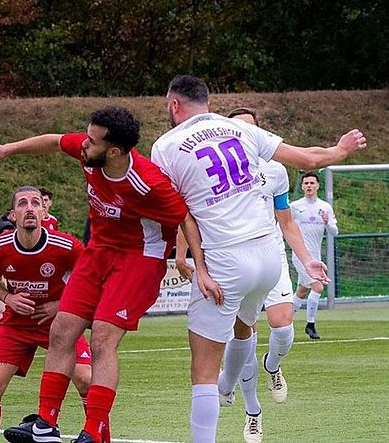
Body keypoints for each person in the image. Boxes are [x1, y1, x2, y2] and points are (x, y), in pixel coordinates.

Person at [152, 75, 365, 443]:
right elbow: (308, 158)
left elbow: (177, 213)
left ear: (174, 105)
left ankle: (219, 397)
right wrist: (341, 149)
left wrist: (198, 266)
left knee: (203, 372)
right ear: (208, 100)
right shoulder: (238, 130)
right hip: (268, 256)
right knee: (243, 329)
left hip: (225, 259)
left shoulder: (166, 146)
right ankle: (234, 391)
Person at [0, 106, 191, 443]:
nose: (84, 145)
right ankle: (46, 424)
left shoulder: (149, 182)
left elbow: (186, 218)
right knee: (62, 327)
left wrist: (192, 264)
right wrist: (7, 148)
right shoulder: (91, 153)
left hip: (139, 258)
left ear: (115, 151)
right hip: (99, 250)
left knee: (103, 336)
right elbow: (54, 141)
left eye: (92, 141)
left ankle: (93, 430)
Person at [205, 107, 326, 442]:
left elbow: (286, 221)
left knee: (283, 328)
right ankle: (252, 411)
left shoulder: (274, 171)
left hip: (271, 258)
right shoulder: (215, 169)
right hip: (234, 260)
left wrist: (307, 260)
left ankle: (272, 366)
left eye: (250, 129)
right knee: (242, 333)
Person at [0, 186, 91, 443]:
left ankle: (97, 437)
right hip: (17, 324)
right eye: (22, 204)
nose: (29, 208)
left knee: (86, 380)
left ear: (43, 211)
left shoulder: (67, 246)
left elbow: (88, 283)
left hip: (61, 323)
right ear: (12, 215)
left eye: (35, 203)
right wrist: (9, 298)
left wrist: (60, 304)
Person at [290, 171, 339, 340]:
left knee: (302, 291)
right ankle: (310, 325)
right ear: (302, 186)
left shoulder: (325, 207)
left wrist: (327, 222)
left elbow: (334, 231)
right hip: (300, 255)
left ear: (318, 185)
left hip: (315, 256)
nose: (309, 186)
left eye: (312, 183)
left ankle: (285, 321)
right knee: (318, 286)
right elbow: (284, 226)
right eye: (306, 183)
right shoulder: (295, 206)